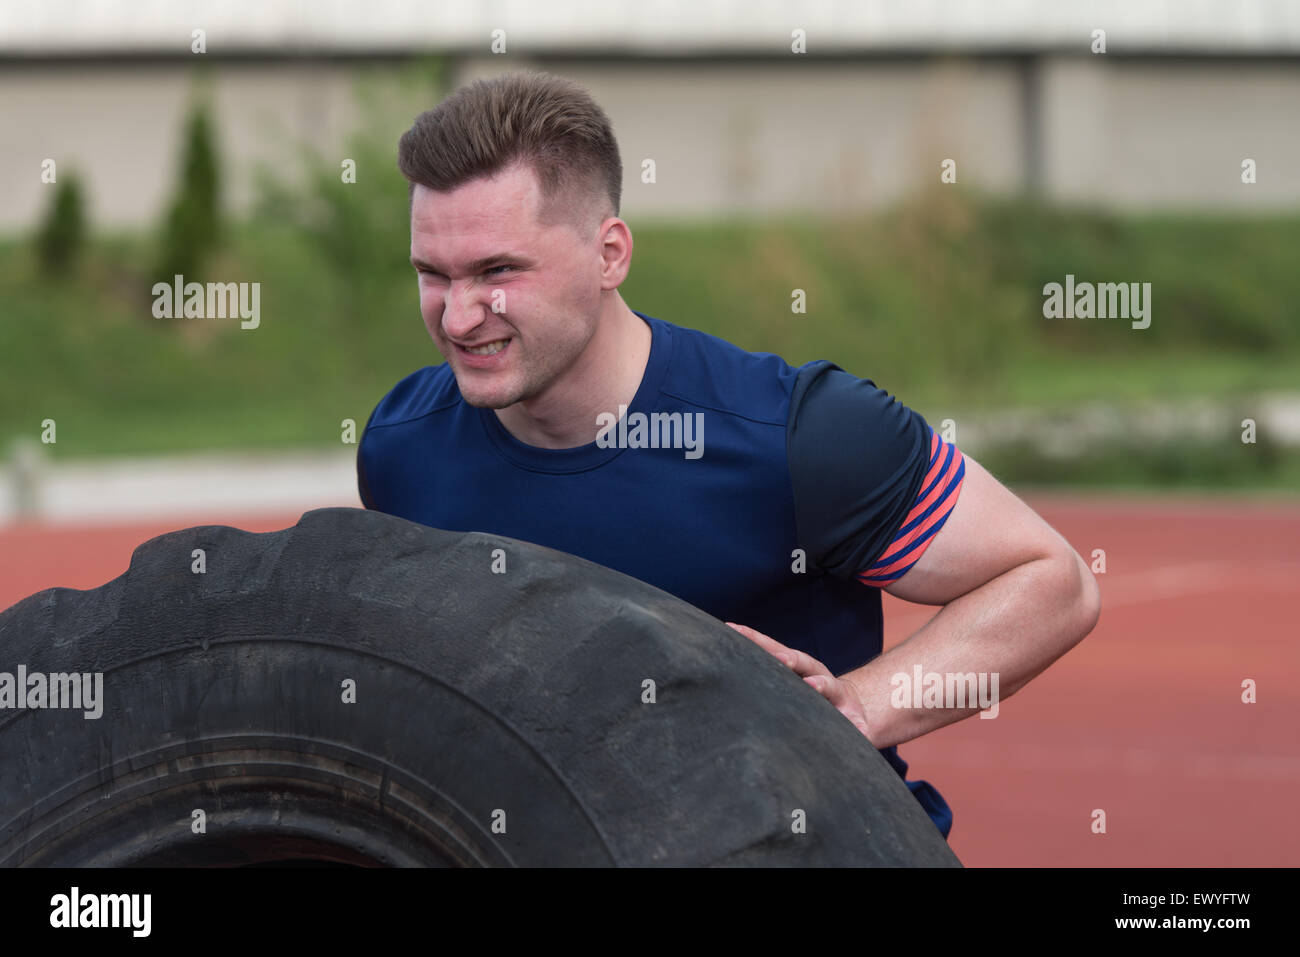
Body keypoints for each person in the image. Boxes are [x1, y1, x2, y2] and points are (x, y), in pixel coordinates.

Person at [357, 71, 1101, 840]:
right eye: (432, 274)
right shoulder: (401, 447)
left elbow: (1053, 581)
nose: (458, 314)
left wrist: (854, 709)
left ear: (609, 254)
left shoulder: (798, 434)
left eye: (497, 271)